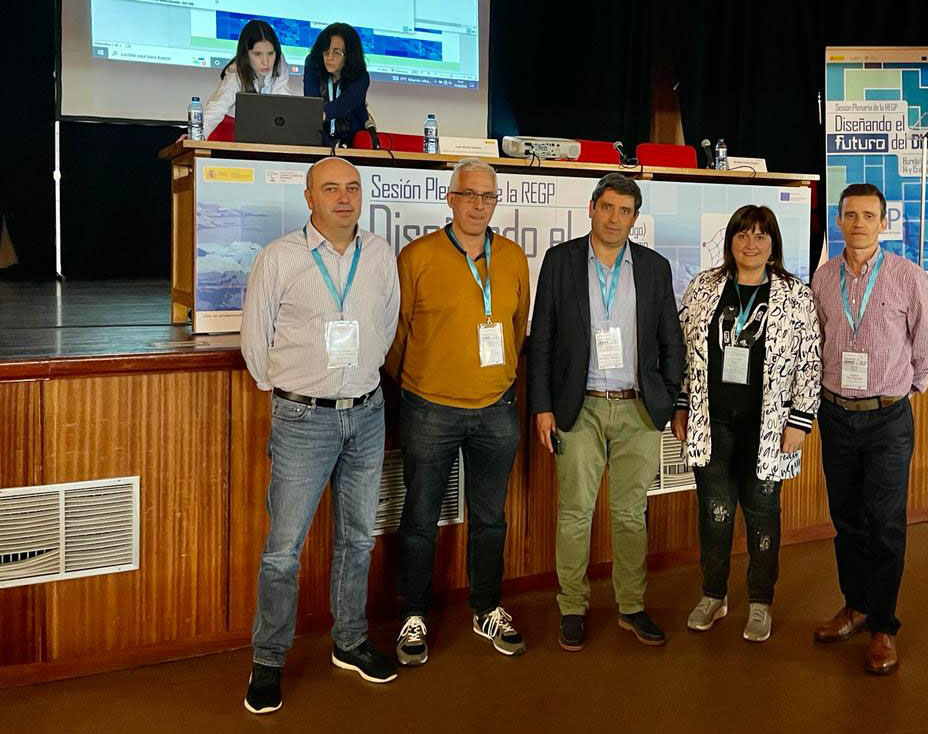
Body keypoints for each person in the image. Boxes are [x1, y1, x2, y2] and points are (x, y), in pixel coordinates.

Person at [239, 156, 400, 714]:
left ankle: (349, 640)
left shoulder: (379, 254)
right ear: (309, 198)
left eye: (352, 187)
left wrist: (357, 376)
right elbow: (255, 343)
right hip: (303, 419)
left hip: (368, 413)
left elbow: (385, 324)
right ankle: (268, 660)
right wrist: (296, 391)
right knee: (283, 550)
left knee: (358, 538)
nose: (344, 197)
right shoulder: (279, 257)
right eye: (331, 188)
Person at [529, 173, 684, 652]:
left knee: (631, 514)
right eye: (608, 207)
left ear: (635, 218)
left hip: (638, 409)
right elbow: (542, 340)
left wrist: (668, 399)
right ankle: (572, 607)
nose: (615, 218)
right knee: (575, 513)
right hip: (581, 407)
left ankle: (631, 605)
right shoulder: (560, 261)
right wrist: (542, 407)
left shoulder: (655, 267)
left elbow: (670, 340)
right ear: (592, 208)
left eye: (625, 211)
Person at [386, 158, 530, 665]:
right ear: (450, 198)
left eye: (488, 196)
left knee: (490, 518)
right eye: (469, 194)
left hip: (497, 408)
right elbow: (396, 336)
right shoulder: (417, 256)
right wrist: (422, 382)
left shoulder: (512, 256)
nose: (478, 205)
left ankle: (487, 607)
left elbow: (517, 326)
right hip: (430, 409)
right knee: (420, 517)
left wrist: (498, 378)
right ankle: (413, 614)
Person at [672, 205, 821, 643]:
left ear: (773, 244)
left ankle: (760, 602)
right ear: (730, 241)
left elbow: (811, 361)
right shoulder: (704, 287)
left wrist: (800, 420)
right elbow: (682, 351)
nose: (750, 244)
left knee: (762, 514)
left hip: (769, 423)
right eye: (742, 234)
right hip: (712, 419)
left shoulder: (796, 295)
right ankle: (713, 594)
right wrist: (681, 405)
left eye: (760, 235)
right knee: (715, 513)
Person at [811, 182, 928, 675]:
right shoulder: (823, 278)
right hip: (835, 415)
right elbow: (815, 343)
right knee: (846, 519)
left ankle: (883, 625)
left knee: (885, 523)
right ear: (838, 221)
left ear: (884, 223)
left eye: (869, 215)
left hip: (887, 417)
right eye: (851, 215)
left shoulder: (908, 277)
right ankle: (856, 606)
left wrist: (900, 391)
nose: (859, 223)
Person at [203, 19, 295, 139]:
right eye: (257, 54)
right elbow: (216, 109)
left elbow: (282, 100)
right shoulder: (235, 74)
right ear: (245, 54)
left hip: (259, 132)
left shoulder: (279, 62)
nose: (266, 62)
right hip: (229, 133)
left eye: (270, 53)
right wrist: (195, 136)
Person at [303, 23, 370, 147]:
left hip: (351, 142)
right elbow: (312, 102)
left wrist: (319, 114)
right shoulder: (313, 67)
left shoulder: (361, 76)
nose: (329, 57)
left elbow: (345, 103)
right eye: (326, 50)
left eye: (337, 52)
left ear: (350, 55)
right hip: (318, 140)